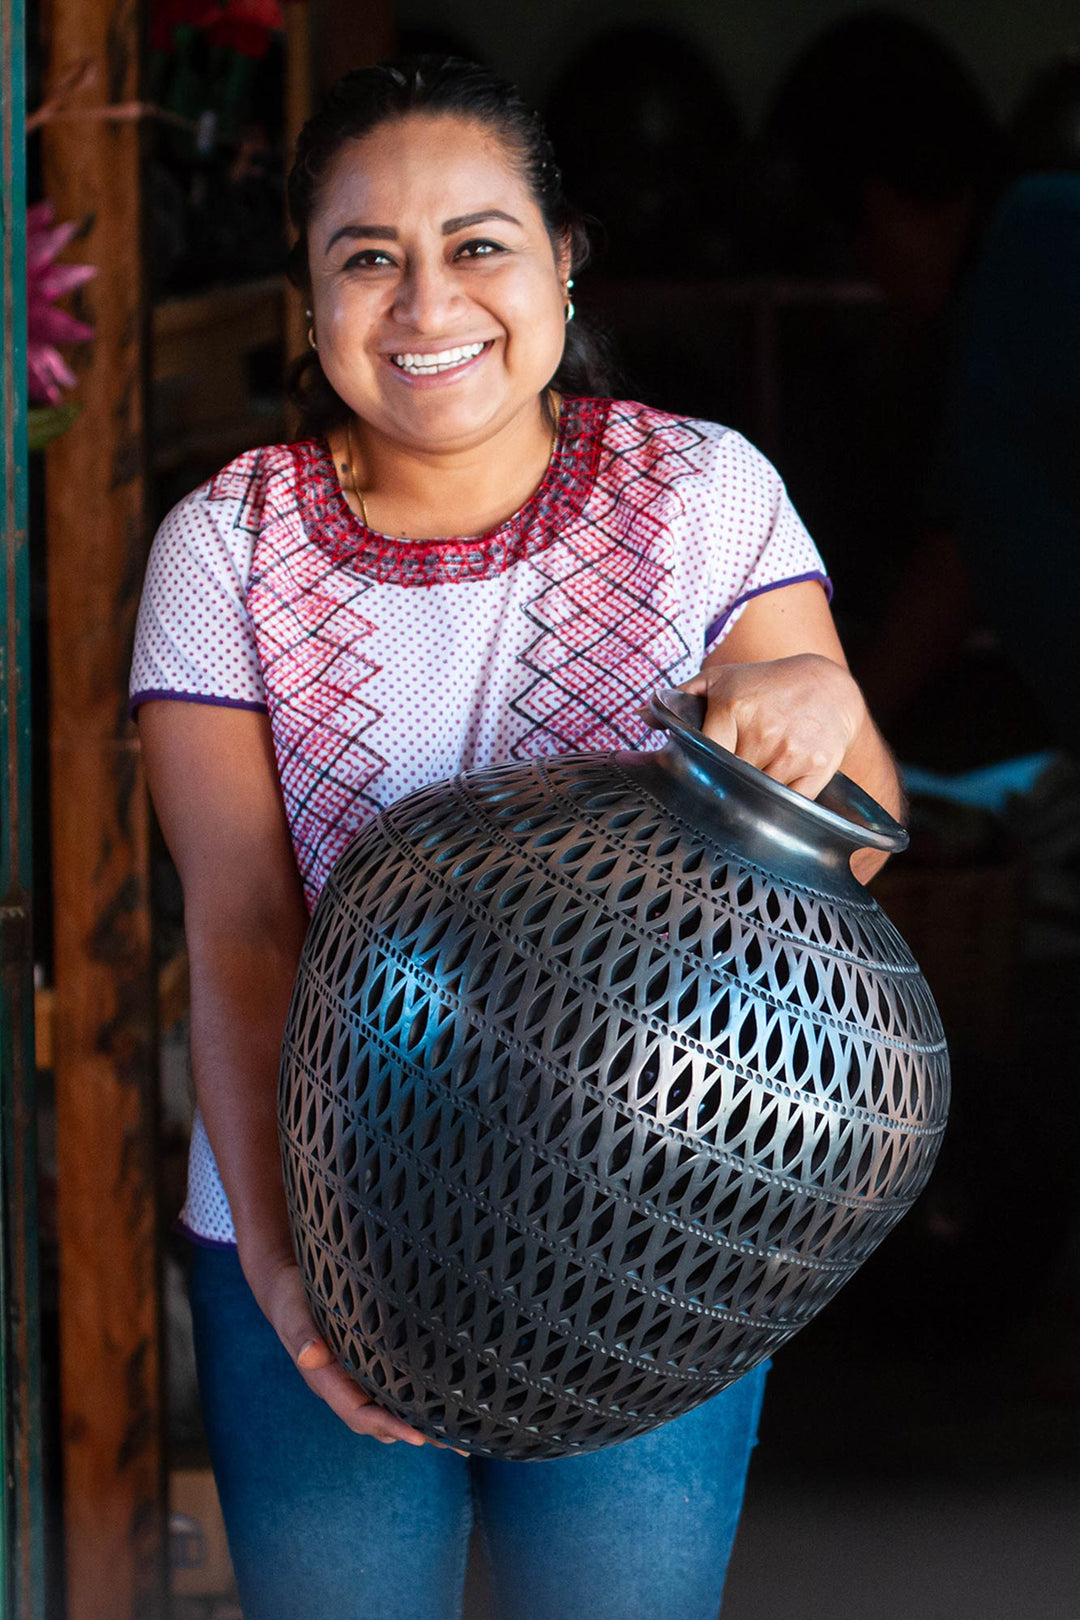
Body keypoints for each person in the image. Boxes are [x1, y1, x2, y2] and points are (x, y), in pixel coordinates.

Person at [131, 56, 901, 1620]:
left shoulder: (704, 498)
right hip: (316, 1202)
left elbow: (856, 849)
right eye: (369, 257)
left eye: (478, 244)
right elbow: (243, 930)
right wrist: (288, 1277)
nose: (427, 304)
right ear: (310, 296)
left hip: (657, 1206)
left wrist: (812, 701)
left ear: (563, 263)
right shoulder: (228, 544)